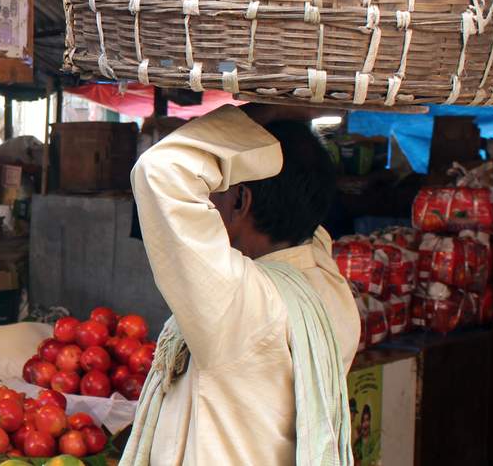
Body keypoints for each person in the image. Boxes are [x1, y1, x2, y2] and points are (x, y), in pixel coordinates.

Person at [122, 104, 360, 466]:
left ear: (240, 200)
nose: (205, 201)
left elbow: (159, 171)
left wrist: (254, 112)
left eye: (215, 190)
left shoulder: (243, 305)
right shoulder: (326, 280)